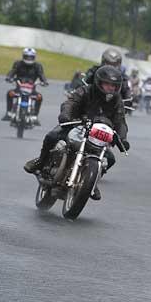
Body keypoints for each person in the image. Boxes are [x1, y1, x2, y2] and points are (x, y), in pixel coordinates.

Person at [23, 65, 129, 201]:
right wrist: (66, 116)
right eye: (107, 84)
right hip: (76, 124)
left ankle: (90, 181)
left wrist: (123, 138)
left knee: (110, 159)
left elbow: (120, 121)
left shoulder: (117, 101)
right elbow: (70, 103)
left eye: (114, 85)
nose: (110, 88)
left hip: (97, 134)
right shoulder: (85, 91)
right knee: (52, 136)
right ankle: (40, 162)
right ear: (98, 82)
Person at [2, 48, 48, 123]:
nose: (29, 59)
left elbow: (41, 75)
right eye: (27, 57)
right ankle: (8, 113)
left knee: (39, 97)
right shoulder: (18, 63)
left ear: (34, 57)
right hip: (18, 88)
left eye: (31, 57)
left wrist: (44, 81)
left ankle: (35, 116)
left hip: (32, 89)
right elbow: (12, 71)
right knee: (9, 93)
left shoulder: (38, 66)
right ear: (23, 56)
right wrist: (9, 77)